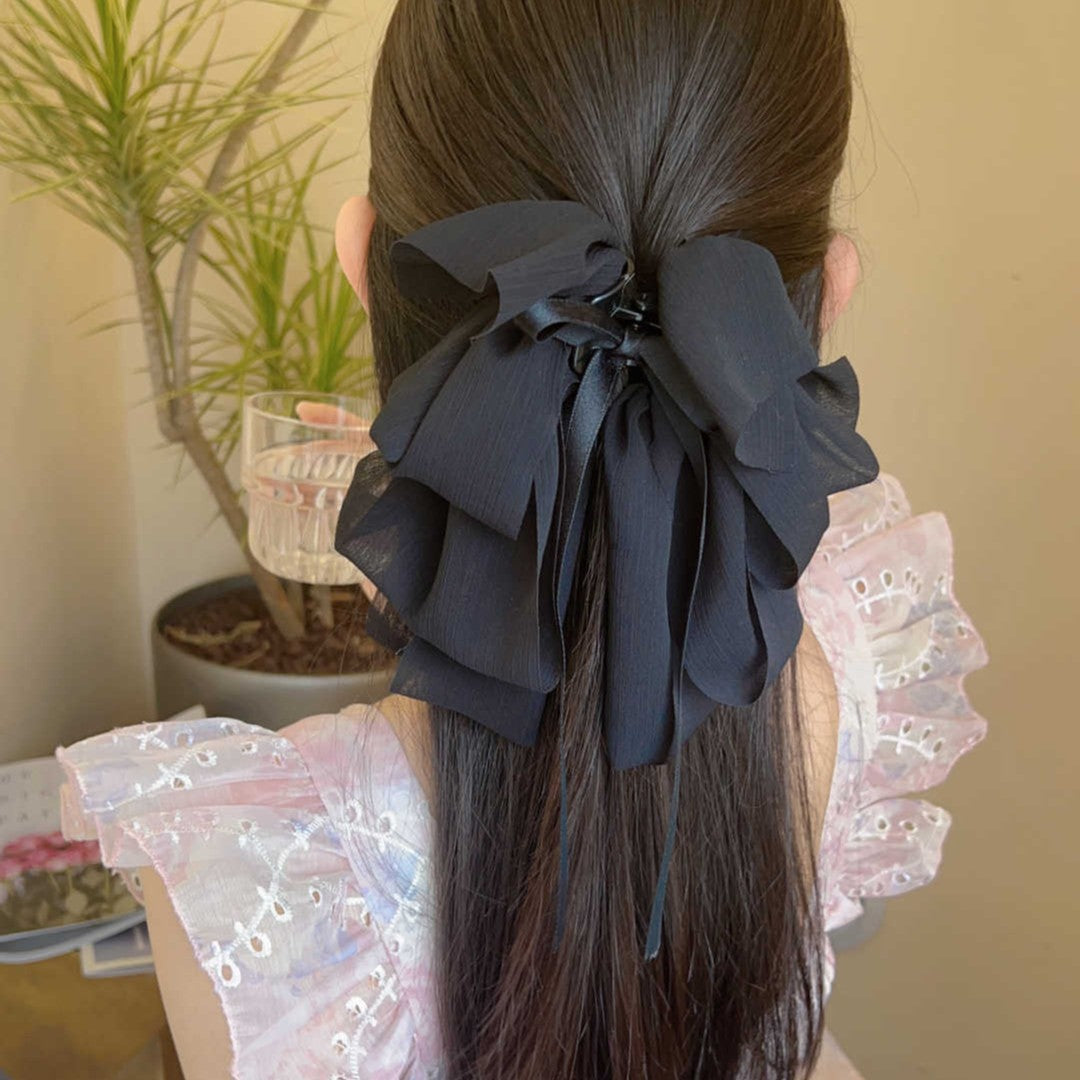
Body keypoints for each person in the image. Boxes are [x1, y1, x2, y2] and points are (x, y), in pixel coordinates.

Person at [56, 1, 991, 1077]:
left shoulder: (265, 884)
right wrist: (519, 476)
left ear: (360, 259)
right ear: (826, 295)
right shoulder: (863, 668)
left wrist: (466, 480)